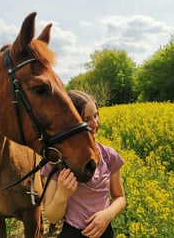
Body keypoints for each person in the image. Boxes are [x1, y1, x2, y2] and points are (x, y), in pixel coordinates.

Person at [41, 90, 125, 238]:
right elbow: (52, 217)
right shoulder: (56, 163)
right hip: (72, 232)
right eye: (86, 119)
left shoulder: (109, 156)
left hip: (105, 231)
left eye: (96, 115)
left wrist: (107, 215)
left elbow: (120, 197)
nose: (95, 124)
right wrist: (62, 194)